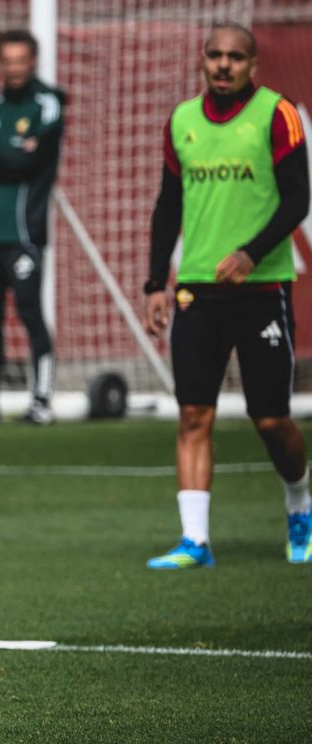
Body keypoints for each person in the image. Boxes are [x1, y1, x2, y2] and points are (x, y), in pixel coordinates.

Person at [142, 23, 310, 569]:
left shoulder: (277, 114)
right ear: (203, 59)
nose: (223, 65)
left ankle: (299, 504)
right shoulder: (182, 121)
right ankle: (195, 541)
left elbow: (298, 199)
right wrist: (155, 283)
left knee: (271, 420)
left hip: (262, 289)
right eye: (214, 55)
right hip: (196, 289)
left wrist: (251, 254)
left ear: (252, 65)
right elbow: (168, 205)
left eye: (235, 57)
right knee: (194, 414)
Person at [0, 29, 65, 425]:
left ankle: (41, 400)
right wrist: (14, 153)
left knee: (29, 311)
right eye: (8, 61)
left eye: (21, 60)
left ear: (33, 61)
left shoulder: (47, 104)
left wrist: (2, 156)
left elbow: (35, 162)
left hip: (23, 231)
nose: (15, 68)